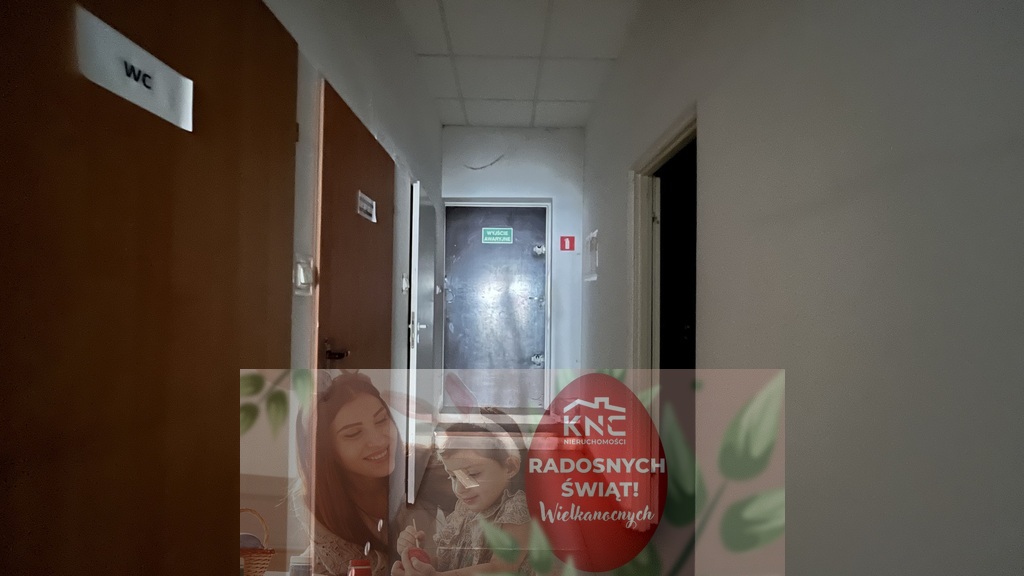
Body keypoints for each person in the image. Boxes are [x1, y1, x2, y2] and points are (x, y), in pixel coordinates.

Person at [392, 409, 534, 576]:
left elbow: (501, 568)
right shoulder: (464, 512)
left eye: (472, 474)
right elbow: (449, 564)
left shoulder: (517, 510)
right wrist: (418, 561)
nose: (459, 489)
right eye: (453, 476)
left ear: (510, 467)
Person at [293, 371, 404, 576]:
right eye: (354, 433)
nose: (378, 441)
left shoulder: (419, 473)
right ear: (327, 451)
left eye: (381, 420)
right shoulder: (312, 498)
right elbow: (358, 569)